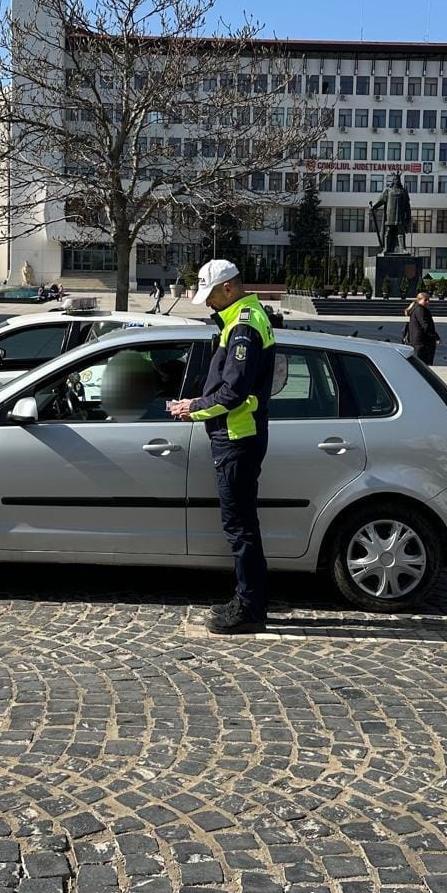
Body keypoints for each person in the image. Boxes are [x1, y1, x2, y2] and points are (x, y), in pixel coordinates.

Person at [166, 259, 276, 635]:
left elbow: (233, 393)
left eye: (210, 295)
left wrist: (192, 407)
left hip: (237, 438)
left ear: (228, 288)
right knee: (243, 525)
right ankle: (250, 599)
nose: (207, 303)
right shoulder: (243, 317)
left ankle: (249, 609)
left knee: (240, 527)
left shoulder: (243, 326)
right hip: (239, 435)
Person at [404, 289, 440, 365]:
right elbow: (425, 325)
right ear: (419, 300)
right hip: (422, 342)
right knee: (422, 365)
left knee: (418, 364)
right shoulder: (420, 310)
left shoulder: (416, 309)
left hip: (417, 341)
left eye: (428, 300)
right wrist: (435, 337)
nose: (428, 302)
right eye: (425, 300)